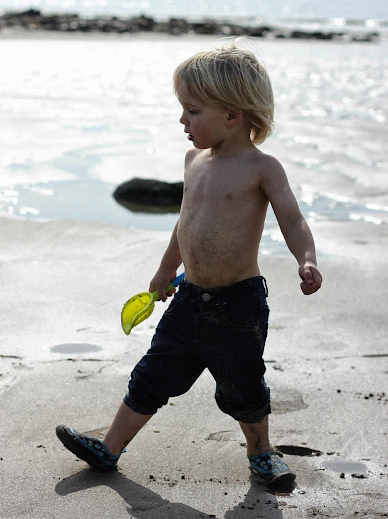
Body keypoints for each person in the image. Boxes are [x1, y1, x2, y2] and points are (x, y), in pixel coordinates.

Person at [56, 42, 323, 486]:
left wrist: (306, 259)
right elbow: (186, 224)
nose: (182, 120)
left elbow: (292, 220)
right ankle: (109, 448)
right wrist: (164, 271)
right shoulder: (193, 161)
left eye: (192, 111)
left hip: (238, 306)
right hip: (188, 296)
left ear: (232, 116)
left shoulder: (262, 168)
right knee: (153, 373)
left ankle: (261, 452)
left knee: (243, 386)